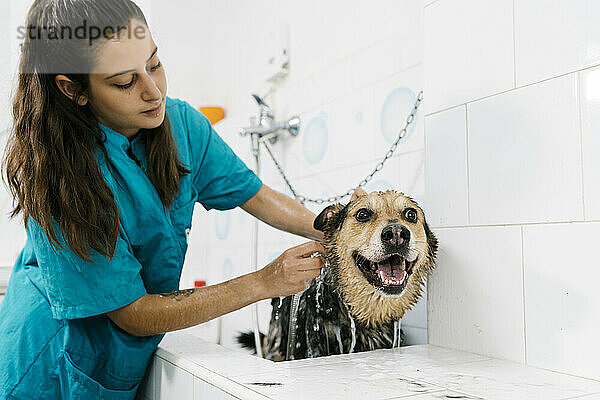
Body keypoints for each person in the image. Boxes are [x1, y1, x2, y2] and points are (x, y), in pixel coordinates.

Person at [0, 1, 329, 398]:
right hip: (48, 365)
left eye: (154, 64)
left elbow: (257, 196)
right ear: (74, 90)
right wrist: (265, 282)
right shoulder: (59, 178)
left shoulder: (183, 127)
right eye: (125, 82)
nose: (152, 91)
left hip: (118, 365)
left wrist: (338, 229)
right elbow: (134, 315)